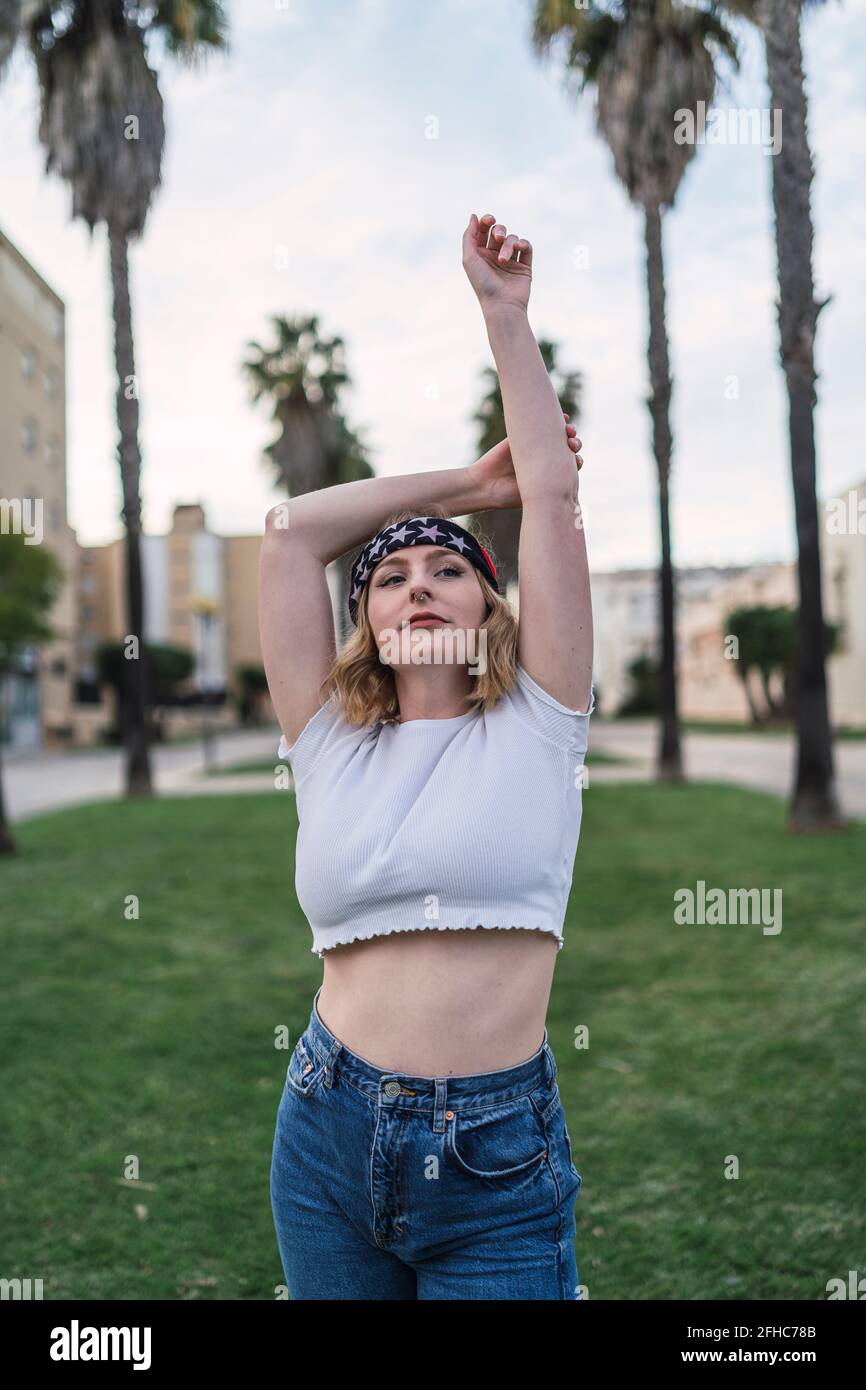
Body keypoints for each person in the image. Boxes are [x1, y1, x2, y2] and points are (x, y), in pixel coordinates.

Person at [260, 212, 594, 1300]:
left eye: (445, 570)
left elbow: (549, 492)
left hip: (492, 1155)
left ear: (488, 604)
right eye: (390, 574)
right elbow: (288, 533)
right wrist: (457, 487)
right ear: (367, 619)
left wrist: (503, 314)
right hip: (322, 1128)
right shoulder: (326, 739)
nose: (414, 581)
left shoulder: (540, 717)